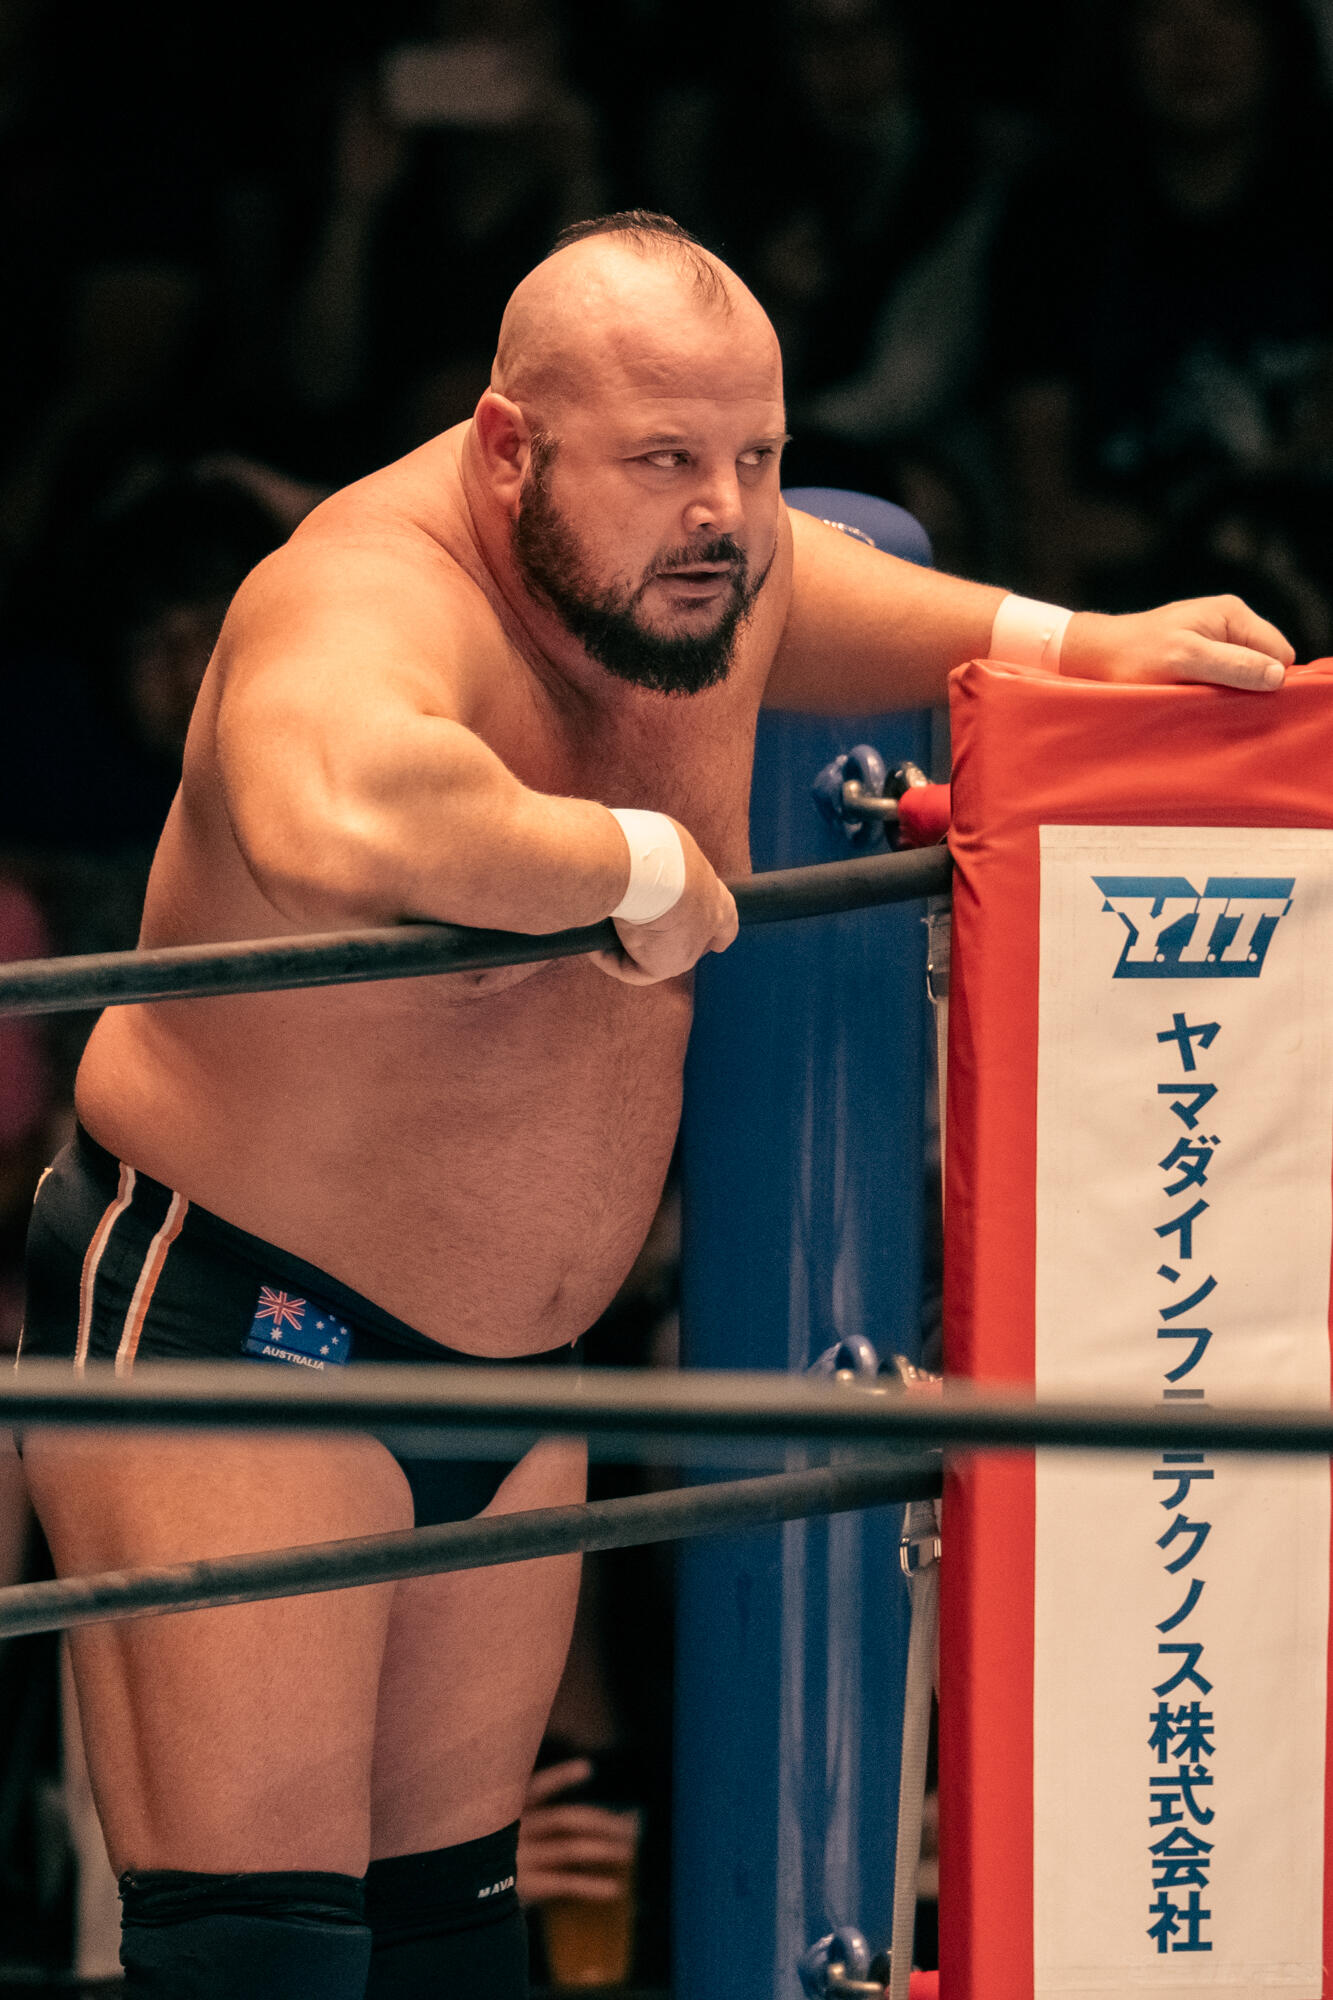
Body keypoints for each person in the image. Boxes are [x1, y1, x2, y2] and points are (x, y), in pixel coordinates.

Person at [16, 210, 1293, 1999]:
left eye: (757, 458)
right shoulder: (362, 597)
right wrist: (618, 860)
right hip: (253, 1325)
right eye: (663, 461)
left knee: (452, 1947)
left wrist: (1075, 639)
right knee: (262, 1964)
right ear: (506, 448)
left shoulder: (685, 562)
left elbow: (805, 587)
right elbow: (338, 810)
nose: (723, 513)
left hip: (517, 1361)